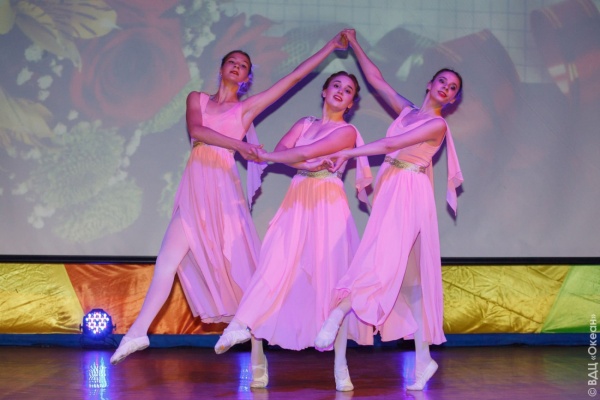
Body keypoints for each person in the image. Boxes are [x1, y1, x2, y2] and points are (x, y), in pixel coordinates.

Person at [109, 33, 348, 389]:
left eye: (244, 66)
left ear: (247, 78)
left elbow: (295, 76)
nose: (237, 67)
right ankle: (138, 332)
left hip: (223, 195)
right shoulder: (197, 99)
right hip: (194, 192)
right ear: (221, 69)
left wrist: (329, 48)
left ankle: (257, 357)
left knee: (246, 279)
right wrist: (239, 143)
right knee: (166, 261)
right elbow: (197, 130)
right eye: (232, 62)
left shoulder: (246, 108)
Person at [313, 29, 464, 391]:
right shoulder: (409, 111)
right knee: (411, 285)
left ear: (452, 99)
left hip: (410, 192)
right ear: (429, 84)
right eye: (442, 82)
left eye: (453, 88)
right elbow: (377, 81)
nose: (446, 88)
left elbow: (392, 144)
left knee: (381, 261)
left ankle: (337, 314)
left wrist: (348, 152)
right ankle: (424, 360)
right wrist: (356, 44)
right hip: (393, 188)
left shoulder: (437, 124)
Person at [213, 71, 374, 391]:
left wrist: (269, 157)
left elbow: (301, 153)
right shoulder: (305, 123)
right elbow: (289, 150)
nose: (341, 91)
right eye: (336, 85)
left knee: (333, 283)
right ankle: (250, 347)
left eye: (348, 91)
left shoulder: (347, 131)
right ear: (324, 91)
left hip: (328, 204)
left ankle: (340, 365)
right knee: (272, 270)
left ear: (351, 103)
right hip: (297, 199)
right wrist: (297, 162)